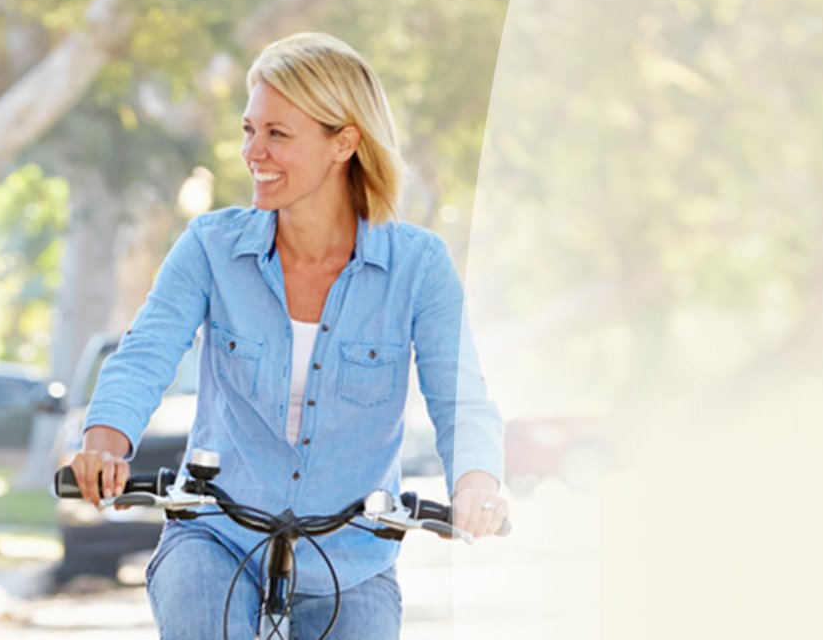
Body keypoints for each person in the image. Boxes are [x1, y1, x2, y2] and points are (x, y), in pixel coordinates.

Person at [65, 32, 508, 639]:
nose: (253, 151)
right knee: (200, 613)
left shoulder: (417, 266)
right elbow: (145, 354)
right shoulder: (210, 247)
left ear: (344, 142)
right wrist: (106, 442)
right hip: (215, 535)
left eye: (277, 133)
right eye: (249, 130)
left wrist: (477, 481)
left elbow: (460, 396)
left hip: (352, 553)